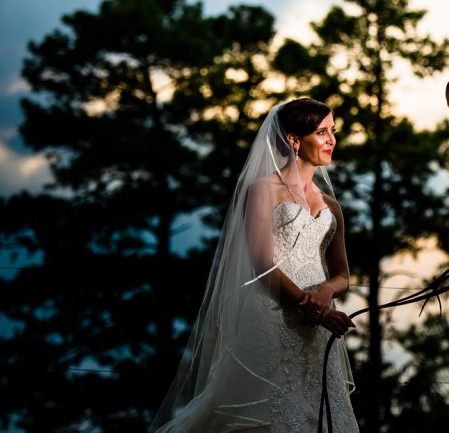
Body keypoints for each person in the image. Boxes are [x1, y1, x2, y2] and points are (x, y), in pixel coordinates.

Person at [151, 98, 359, 432]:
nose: (332, 140)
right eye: (322, 132)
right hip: (272, 318)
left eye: (333, 131)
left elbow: (343, 275)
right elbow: (261, 263)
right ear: (294, 140)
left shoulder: (331, 204)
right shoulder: (263, 191)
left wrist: (325, 292)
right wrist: (315, 308)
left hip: (318, 331)